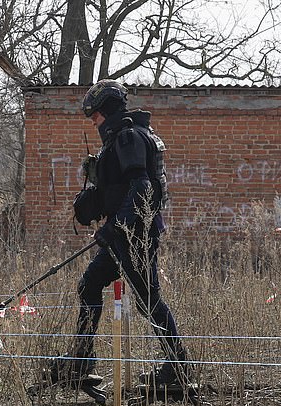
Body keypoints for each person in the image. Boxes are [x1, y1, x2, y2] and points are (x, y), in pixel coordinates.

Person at [56, 79, 189, 387]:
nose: (92, 121)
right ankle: (81, 361)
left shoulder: (129, 138)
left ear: (108, 111)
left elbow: (142, 188)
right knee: (89, 284)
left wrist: (114, 227)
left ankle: (179, 368)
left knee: (147, 300)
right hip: (120, 236)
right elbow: (120, 189)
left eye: (96, 115)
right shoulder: (120, 138)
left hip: (135, 236)